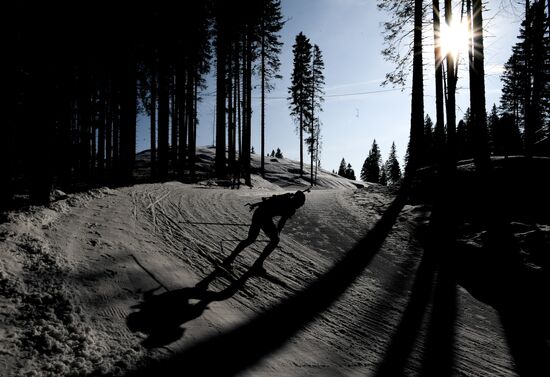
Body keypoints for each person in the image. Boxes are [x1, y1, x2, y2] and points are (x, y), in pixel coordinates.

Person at [222, 190, 306, 274]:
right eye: (300, 203)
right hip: (261, 215)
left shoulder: (290, 204)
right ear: (296, 200)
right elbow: (282, 221)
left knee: (252, 239)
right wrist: (277, 233)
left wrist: (276, 233)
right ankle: (255, 263)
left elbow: (281, 219)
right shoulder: (288, 204)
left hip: (262, 215)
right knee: (257, 239)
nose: (299, 206)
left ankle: (233, 258)